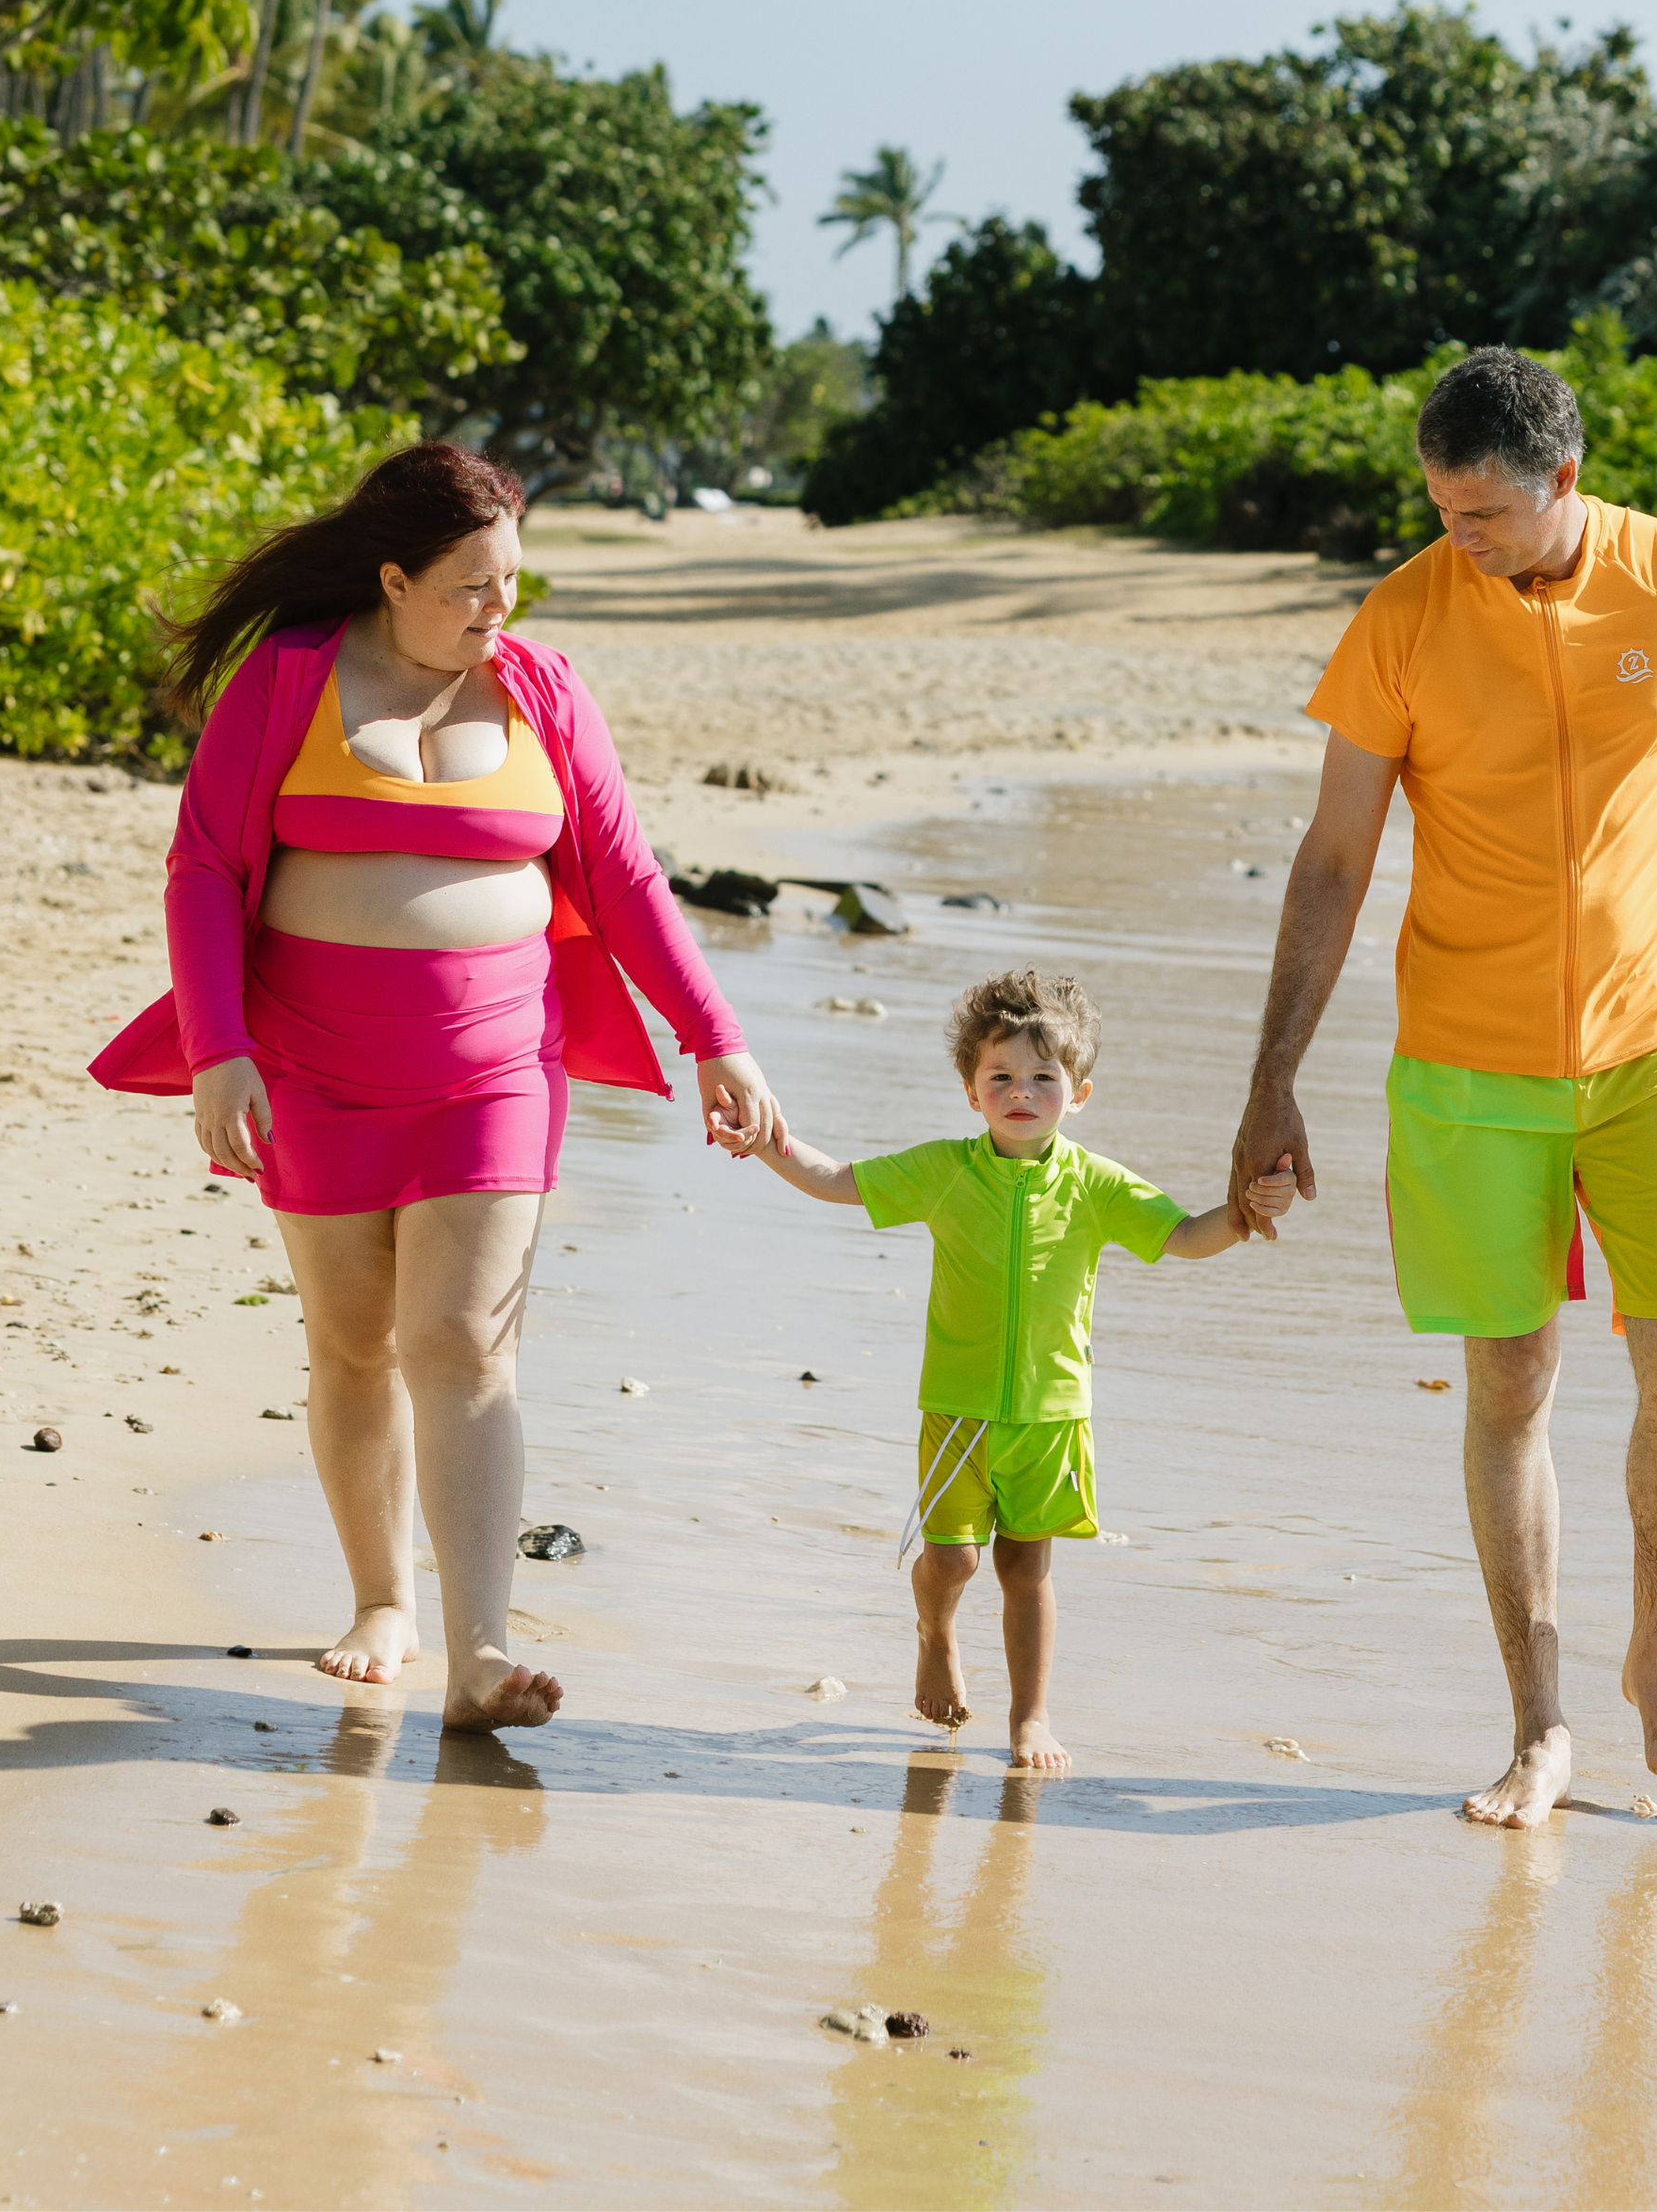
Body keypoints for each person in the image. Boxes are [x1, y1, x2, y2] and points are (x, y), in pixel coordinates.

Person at [1229, 347, 1657, 1830]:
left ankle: (1654, 1649)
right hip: (1469, 1068)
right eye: (1440, 509)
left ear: (1566, 484)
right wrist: (1273, 1078)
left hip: (1655, 1047)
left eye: (1484, 514)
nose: (1457, 537)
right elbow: (1334, 858)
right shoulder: (1403, 617)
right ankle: (1538, 1724)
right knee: (1511, 1382)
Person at [92, 444, 779, 1731]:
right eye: (469, 585)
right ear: (394, 578)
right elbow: (202, 870)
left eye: (513, 580)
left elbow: (629, 880)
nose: (496, 608)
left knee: (461, 1343)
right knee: (353, 1346)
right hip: (311, 1064)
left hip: (495, 1071)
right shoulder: (291, 679)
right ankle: (379, 1603)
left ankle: (478, 1652)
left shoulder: (544, 691)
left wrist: (714, 1036)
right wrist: (216, 1049)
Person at [751, 968, 1295, 1770]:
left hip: (1051, 1415)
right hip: (959, 1410)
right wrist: (765, 1136)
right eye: (1000, 1076)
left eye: (1043, 1078)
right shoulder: (944, 1171)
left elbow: (1185, 1234)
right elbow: (834, 1180)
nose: (1021, 1091)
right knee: (953, 1559)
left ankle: (1030, 1718)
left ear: (1077, 1093)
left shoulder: (1096, 1185)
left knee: (1025, 1567)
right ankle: (935, 1634)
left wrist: (1249, 1213)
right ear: (972, 1091)